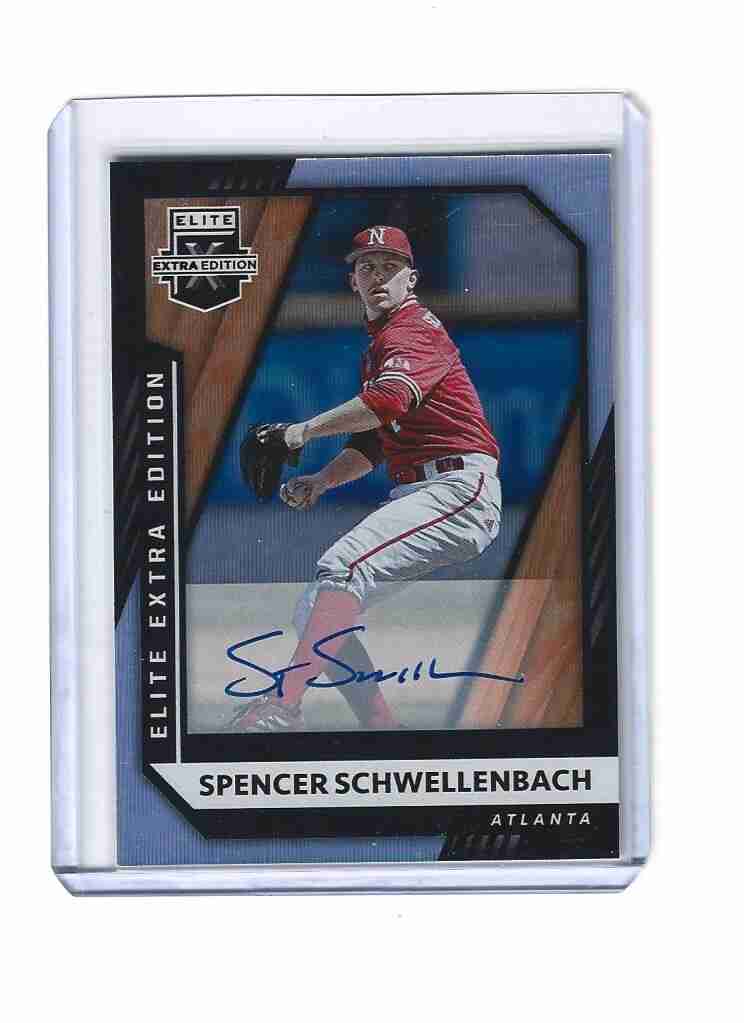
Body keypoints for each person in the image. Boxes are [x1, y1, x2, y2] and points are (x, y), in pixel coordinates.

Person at [230, 225, 502, 731]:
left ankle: (283, 706)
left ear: (411, 279)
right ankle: (383, 731)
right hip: (429, 489)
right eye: (367, 267)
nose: (378, 276)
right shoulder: (380, 344)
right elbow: (375, 440)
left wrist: (300, 431)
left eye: (390, 267)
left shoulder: (412, 329)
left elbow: (386, 401)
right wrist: (322, 480)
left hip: (458, 489)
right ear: (352, 281)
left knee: (343, 567)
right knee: (315, 607)